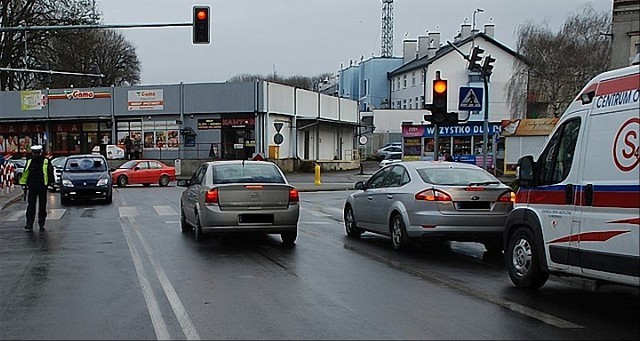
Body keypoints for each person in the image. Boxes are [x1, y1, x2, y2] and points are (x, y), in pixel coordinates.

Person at [18, 145, 54, 232]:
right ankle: (34, 224)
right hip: (37, 186)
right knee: (35, 206)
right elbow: (26, 172)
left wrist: (50, 183)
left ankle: (35, 224)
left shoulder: (40, 161)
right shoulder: (36, 161)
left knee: (36, 206)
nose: (35, 154)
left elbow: (49, 172)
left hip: (38, 186)